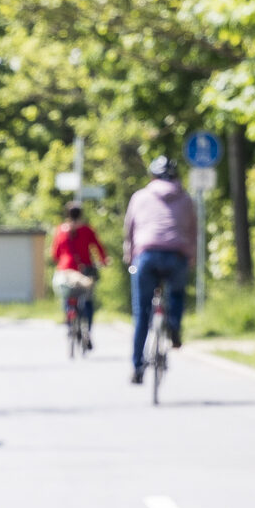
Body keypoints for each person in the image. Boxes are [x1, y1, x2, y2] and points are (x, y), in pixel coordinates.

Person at [123, 155, 198, 384]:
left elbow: (130, 229)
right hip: (176, 255)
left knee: (141, 314)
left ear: (152, 176)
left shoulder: (140, 197)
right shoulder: (186, 199)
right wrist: (191, 257)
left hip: (146, 255)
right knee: (176, 294)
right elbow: (193, 231)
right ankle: (174, 325)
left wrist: (130, 255)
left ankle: (137, 368)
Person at [50, 202, 109, 335]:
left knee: (67, 296)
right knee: (87, 299)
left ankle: (69, 320)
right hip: (84, 269)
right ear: (81, 214)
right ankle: (87, 330)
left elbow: (55, 254)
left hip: (65, 270)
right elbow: (98, 247)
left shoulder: (60, 230)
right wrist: (103, 260)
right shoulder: (87, 229)